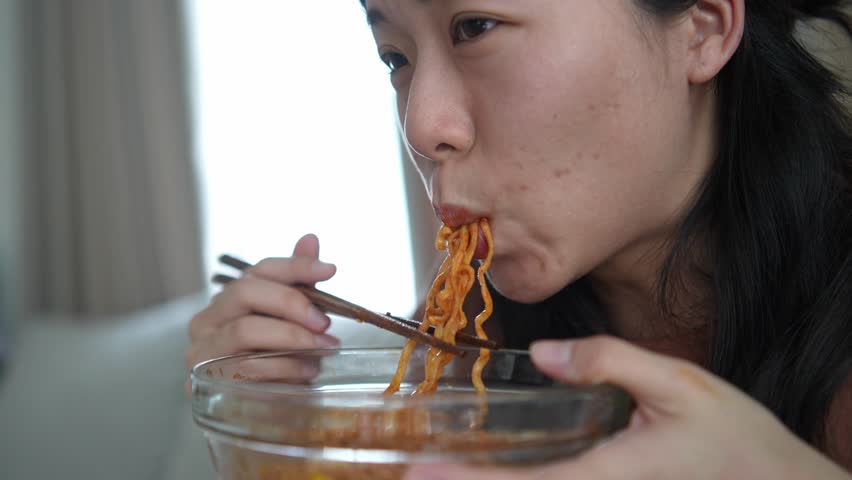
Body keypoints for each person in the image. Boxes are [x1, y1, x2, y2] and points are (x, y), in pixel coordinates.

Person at [185, 0, 852, 477]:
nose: (422, 126)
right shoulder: (468, 349)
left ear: (701, 30)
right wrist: (264, 430)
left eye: (475, 27)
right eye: (395, 56)